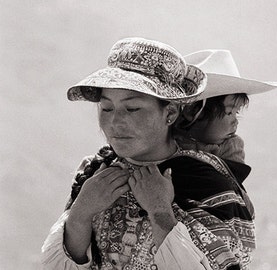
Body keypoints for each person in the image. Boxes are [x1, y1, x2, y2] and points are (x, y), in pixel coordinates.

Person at [41, 38, 256, 270]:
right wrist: (81, 212)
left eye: (132, 109)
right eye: (106, 108)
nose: (115, 122)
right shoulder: (94, 174)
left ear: (170, 113)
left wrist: (160, 213)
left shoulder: (208, 184)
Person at [175, 50, 277, 163]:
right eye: (229, 112)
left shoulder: (230, 151)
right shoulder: (164, 144)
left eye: (236, 113)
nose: (235, 122)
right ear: (193, 111)